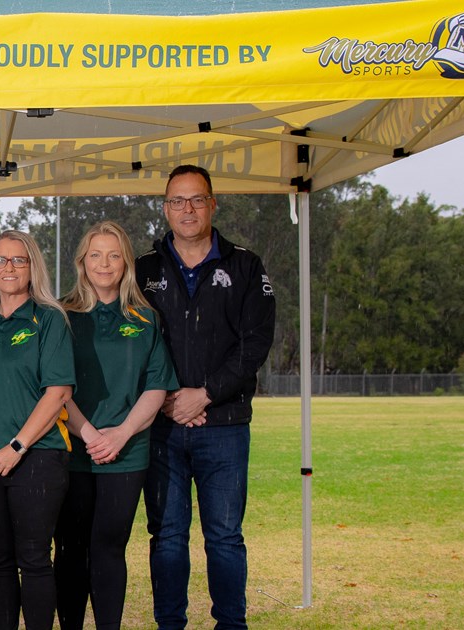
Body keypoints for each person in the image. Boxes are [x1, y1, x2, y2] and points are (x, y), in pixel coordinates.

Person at [136, 164, 276, 630]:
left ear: (213, 203)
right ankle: (169, 624)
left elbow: (255, 342)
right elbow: (132, 342)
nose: (188, 209)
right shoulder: (144, 270)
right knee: (168, 536)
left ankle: (231, 624)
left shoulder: (244, 265)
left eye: (197, 199)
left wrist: (207, 394)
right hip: (163, 426)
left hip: (225, 426)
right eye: (178, 201)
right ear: (165, 208)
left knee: (224, 537)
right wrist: (171, 397)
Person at [52, 221, 179, 630]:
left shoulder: (146, 318)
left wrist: (121, 434)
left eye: (113, 254)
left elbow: (157, 386)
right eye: (95, 255)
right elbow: (53, 388)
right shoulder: (59, 316)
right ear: (81, 262)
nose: (104, 264)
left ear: (126, 261)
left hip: (127, 454)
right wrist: (88, 433)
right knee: (70, 549)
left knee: (109, 549)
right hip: (71, 450)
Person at [0, 230, 75, 630]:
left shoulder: (49, 319)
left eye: (19, 260)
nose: (9, 268)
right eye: (0, 261)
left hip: (38, 457)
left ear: (33, 267)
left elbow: (58, 391)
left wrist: (16, 446)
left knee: (34, 558)